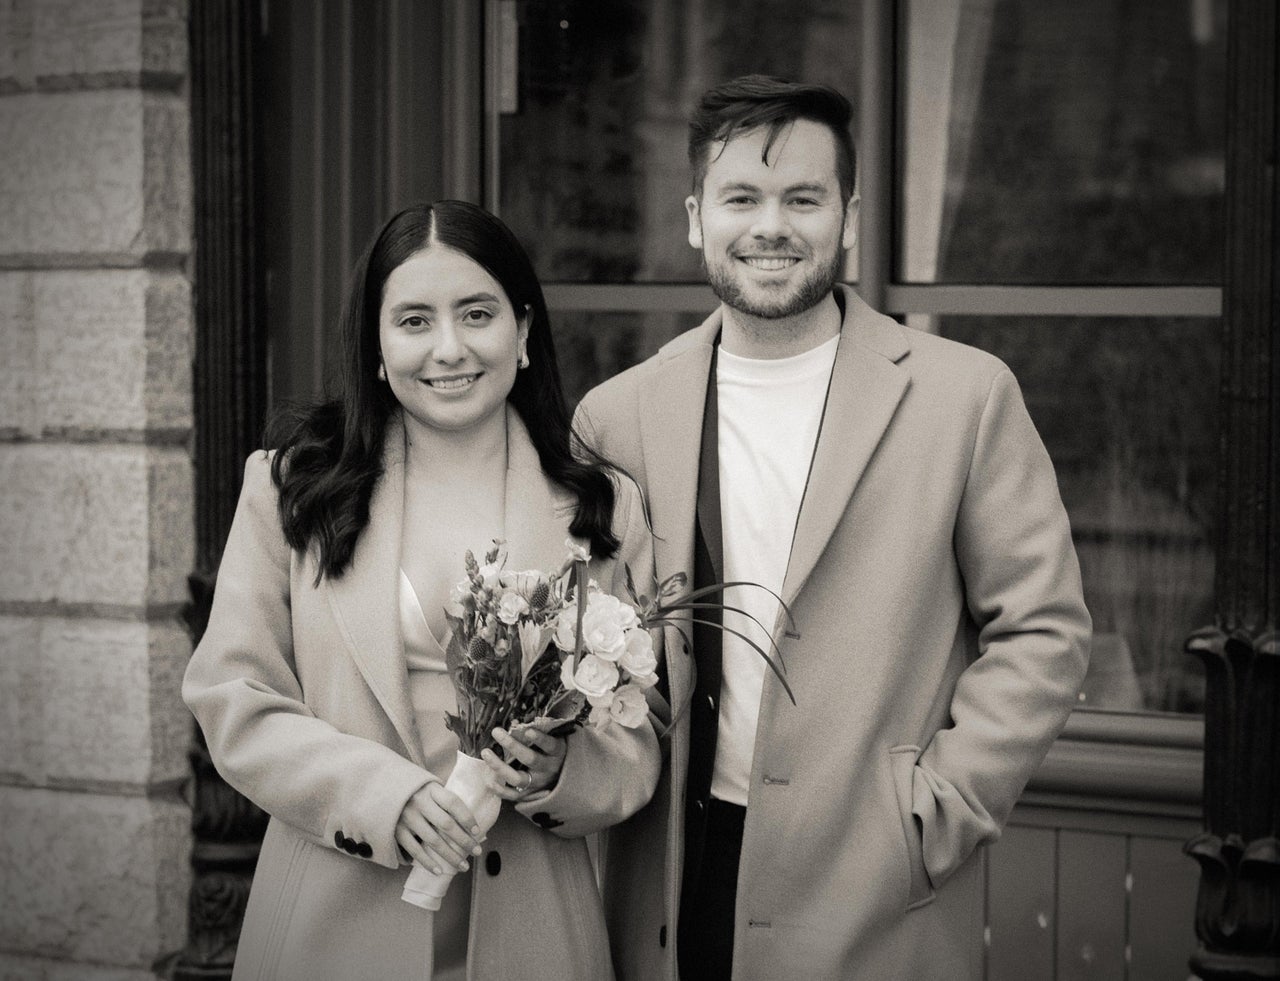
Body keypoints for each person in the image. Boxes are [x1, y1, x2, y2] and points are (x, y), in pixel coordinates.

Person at [578, 75, 1092, 980]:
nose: (770, 225)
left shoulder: (964, 398)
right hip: (669, 878)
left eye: (802, 198)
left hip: (873, 884)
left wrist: (934, 811)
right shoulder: (618, 415)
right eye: (742, 197)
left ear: (848, 217)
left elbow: (1044, 629)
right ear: (697, 215)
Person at [183, 200, 661, 980]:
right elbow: (233, 697)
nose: (449, 348)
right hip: (330, 925)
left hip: (535, 933)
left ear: (525, 329)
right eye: (413, 320)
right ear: (375, 344)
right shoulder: (291, 489)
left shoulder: (603, 508)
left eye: (477, 313)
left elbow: (643, 733)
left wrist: (564, 773)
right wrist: (386, 799)